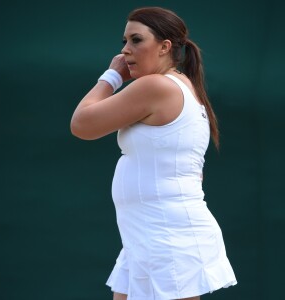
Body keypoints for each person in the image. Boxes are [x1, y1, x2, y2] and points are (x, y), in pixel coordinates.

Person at [70, 6, 237, 300]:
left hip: (167, 236)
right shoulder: (180, 85)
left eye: (136, 40)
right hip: (147, 234)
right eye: (124, 41)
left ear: (164, 47)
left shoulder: (156, 86)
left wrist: (112, 76)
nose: (125, 51)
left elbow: (82, 125)